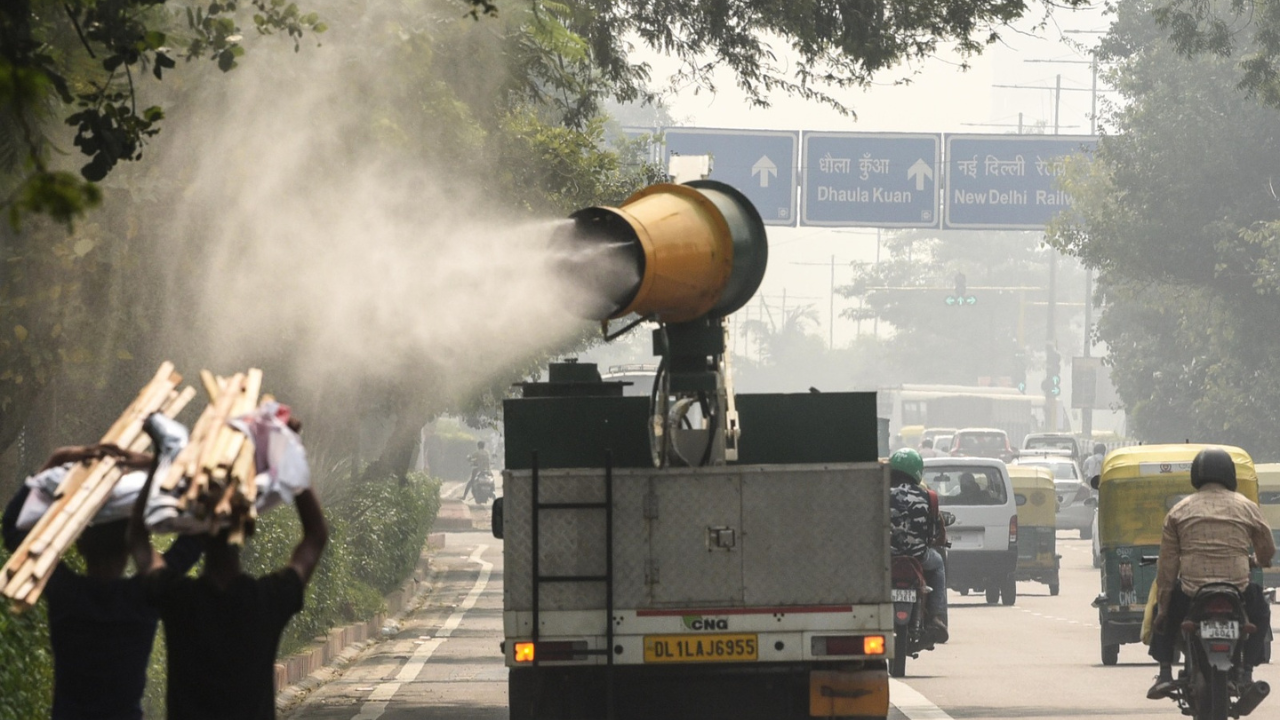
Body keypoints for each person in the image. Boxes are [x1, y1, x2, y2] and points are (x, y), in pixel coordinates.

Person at [129, 440, 329, 720]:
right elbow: (316, 535)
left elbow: (137, 538)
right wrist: (289, 451)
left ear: (197, 533)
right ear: (247, 529)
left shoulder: (178, 599)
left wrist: (158, 466)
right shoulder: (267, 600)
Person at [2, 444, 202, 720]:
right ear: (131, 545)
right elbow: (196, 536)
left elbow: (13, 529)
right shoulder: (145, 597)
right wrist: (150, 462)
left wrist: (59, 458)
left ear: (79, 543)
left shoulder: (66, 594)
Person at [1147, 448, 1275, 699]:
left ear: (1196, 476)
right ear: (1230, 475)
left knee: (1163, 614)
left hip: (1191, 591)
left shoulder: (1178, 511)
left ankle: (1164, 673)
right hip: (1238, 589)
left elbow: (1167, 567)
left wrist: (1162, 610)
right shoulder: (1247, 508)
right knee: (1261, 612)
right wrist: (1257, 561)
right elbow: (1267, 550)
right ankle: (1247, 672)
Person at [888, 448, 948, 643]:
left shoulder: (880, 494)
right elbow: (936, 533)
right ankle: (937, 617)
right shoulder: (929, 497)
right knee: (938, 564)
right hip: (919, 557)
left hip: (887, 557)